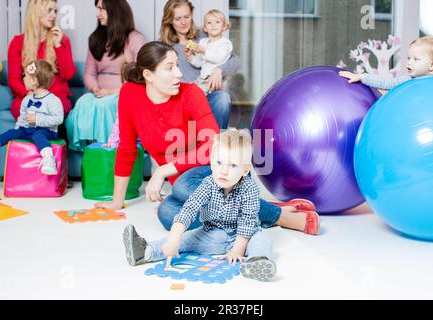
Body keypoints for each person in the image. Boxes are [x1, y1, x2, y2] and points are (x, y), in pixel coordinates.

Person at [95, 41, 320, 236]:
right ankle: (251, 210)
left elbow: (212, 145)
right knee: (167, 214)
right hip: (188, 186)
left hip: (218, 171)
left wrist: (164, 169)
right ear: (148, 75)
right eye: (169, 68)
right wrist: (117, 201)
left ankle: (279, 216)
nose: (179, 74)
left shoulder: (191, 93)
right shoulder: (130, 95)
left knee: (183, 187)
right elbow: (126, 149)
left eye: (178, 66)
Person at [123, 129, 277, 282]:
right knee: (185, 239)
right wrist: (174, 238)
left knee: (262, 238)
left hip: (245, 236)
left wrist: (237, 250)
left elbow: (247, 221)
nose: (223, 170)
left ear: (244, 170)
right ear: (211, 162)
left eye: (232, 165)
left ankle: (256, 261)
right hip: (213, 233)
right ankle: (146, 251)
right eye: (219, 162)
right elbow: (190, 208)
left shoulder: (249, 188)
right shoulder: (208, 183)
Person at [65, 0, 146, 151]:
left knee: (104, 104)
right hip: (99, 94)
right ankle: (93, 151)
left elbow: (141, 76)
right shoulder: (95, 39)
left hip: (124, 93)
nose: (97, 14)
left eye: (101, 9)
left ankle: (108, 149)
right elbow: (89, 72)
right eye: (97, 9)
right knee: (83, 102)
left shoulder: (135, 39)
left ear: (115, 11)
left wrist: (112, 91)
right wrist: (95, 88)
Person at [160, 0, 238, 129]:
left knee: (222, 99)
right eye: (178, 19)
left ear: (191, 15)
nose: (183, 22)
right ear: (169, 21)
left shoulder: (205, 36)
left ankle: (217, 144)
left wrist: (219, 70)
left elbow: (234, 60)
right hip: (182, 101)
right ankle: (194, 143)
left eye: (186, 17)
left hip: (208, 94)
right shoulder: (163, 47)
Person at [8, 0, 75, 120]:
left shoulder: (62, 40)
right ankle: (38, 135)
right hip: (30, 96)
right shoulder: (17, 43)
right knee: (21, 108)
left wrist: (58, 46)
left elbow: (68, 74)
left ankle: (40, 134)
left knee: (52, 109)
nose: (54, 15)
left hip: (55, 97)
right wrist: (27, 94)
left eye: (55, 11)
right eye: (49, 10)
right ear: (36, 12)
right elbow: (13, 79)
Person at [0, 60, 63, 175]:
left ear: (34, 81)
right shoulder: (27, 99)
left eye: (25, 76)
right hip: (28, 129)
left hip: (47, 131)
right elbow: (22, 118)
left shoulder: (53, 100)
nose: (23, 79)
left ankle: (48, 159)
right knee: (12, 132)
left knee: (38, 135)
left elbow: (58, 119)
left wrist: (38, 119)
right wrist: (18, 129)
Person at [339, 36, 433, 89]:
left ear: (432, 65)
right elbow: (386, 82)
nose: (409, 63)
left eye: (416, 59)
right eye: (408, 58)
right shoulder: (407, 80)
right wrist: (362, 77)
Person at [186, 9, 233, 95]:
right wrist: (190, 57)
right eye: (209, 23)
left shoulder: (225, 43)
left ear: (224, 27)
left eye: (217, 22)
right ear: (205, 28)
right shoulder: (203, 42)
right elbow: (199, 63)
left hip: (216, 81)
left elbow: (219, 58)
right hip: (202, 78)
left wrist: (203, 51)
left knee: (197, 95)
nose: (213, 25)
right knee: (189, 91)